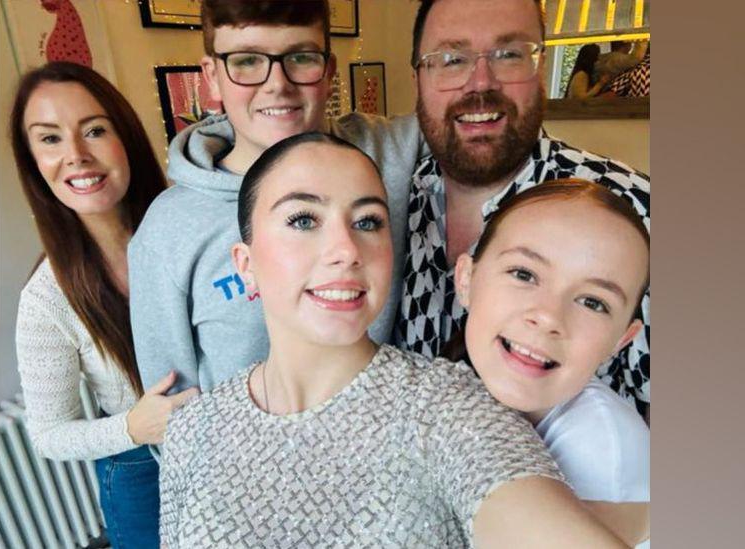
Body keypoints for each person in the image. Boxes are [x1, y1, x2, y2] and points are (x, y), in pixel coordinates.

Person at [159, 132, 627, 548]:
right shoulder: (191, 431)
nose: (346, 251)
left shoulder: (451, 410)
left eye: (367, 222)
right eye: (303, 219)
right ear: (245, 264)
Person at [130, 0, 424, 406]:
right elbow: (172, 408)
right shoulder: (169, 229)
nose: (277, 85)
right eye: (247, 61)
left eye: (300, 58)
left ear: (330, 71)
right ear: (211, 77)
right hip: (248, 458)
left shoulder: (386, 151)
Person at [398, 0, 652, 420]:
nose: (480, 83)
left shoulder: (638, 212)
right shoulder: (387, 207)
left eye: (510, 54)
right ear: (418, 80)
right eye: (450, 59)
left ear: (540, 68)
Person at [10, 62, 197, 549]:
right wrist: (133, 427)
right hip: (139, 464)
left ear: (126, 138)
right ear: (33, 161)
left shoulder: (188, 230)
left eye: (93, 130)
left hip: (231, 439)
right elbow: (49, 435)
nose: (75, 155)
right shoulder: (46, 299)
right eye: (49, 139)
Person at [447, 179, 651, 547]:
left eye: (593, 302)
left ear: (621, 340)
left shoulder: (600, 444)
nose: (548, 316)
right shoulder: (449, 390)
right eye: (524, 274)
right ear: (466, 279)